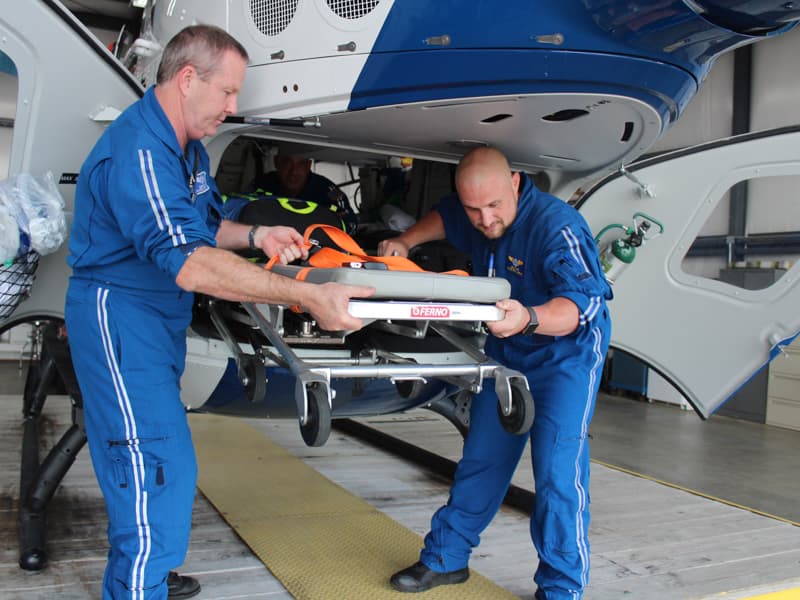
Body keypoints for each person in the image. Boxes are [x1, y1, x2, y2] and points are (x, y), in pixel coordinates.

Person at [64, 25, 373, 600]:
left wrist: (260, 231)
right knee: (147, 467)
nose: (234, 107)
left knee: (170, 462)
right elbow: (189, 260)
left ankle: (152, 571)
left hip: (158, 318)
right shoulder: (140, 149)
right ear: (187, 79)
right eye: (228, 93)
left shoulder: (185, 149)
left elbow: (205, 226)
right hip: (121, 316)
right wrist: (308, 297)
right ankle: (138, 584)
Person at [378, 147, 612, 600]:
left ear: (516, 183)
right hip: (509, 349)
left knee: (557, 472)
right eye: (474, 209)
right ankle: (446, 559)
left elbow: (583, 305)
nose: (484, 220)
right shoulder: (472, 210)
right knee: (483, 455)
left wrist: (527, 317)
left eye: (493, 206)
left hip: (565, 355)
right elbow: (446, 217)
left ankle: (562, 588)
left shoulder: (556, 225)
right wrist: (407, 243)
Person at [234, 151, 358, 234]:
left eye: (301, 164)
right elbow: (238, 215)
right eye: (287, 162)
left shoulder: (327, 190)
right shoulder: (261, 184)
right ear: (276, 162)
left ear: (309, 165)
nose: (294, 171)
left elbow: (351, 224)